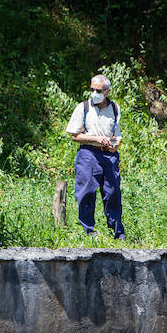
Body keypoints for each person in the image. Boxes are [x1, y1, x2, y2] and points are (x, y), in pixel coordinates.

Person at [66, 73, 124, 238]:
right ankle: (88, 232)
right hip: (88, 154)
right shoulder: (82, 107)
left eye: (97, 90)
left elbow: (116, 133)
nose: (94, 93)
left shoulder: (115, 108)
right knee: (86, 193)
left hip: (109, 156)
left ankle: (117, 233)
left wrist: (116, 143)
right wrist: (96, 138)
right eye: (92, 89)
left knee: (113, 193)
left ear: (107, 91)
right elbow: (75, 135)